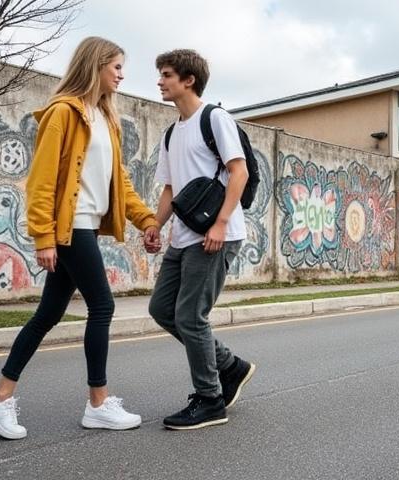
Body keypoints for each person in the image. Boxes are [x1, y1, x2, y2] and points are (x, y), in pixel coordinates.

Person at [0, 37, 161, 440]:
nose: (122, 75)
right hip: (69, 226)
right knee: (102, 306)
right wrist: (43, 236)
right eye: (117, 66)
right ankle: (98, 403)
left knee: (48, 314)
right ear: (96, 66)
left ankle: (0, 397)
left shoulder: (105, 120)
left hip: (86, 226)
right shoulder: (62, 114)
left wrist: (146, 219)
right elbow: (41, 182)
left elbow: (119, 184)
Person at [145, 49, 255, 430]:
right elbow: (170, 187)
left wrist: (221, 223)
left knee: (191, 317)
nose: (160, 81)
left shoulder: (215, 118)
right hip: (184, 235)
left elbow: (237, 173)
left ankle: (210, 400)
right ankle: (228, 365)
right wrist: (155, 224)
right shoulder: (172, 132)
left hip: (215, 234)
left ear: (188, 80)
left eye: (167, 74)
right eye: (160, 75)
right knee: (162, 310)